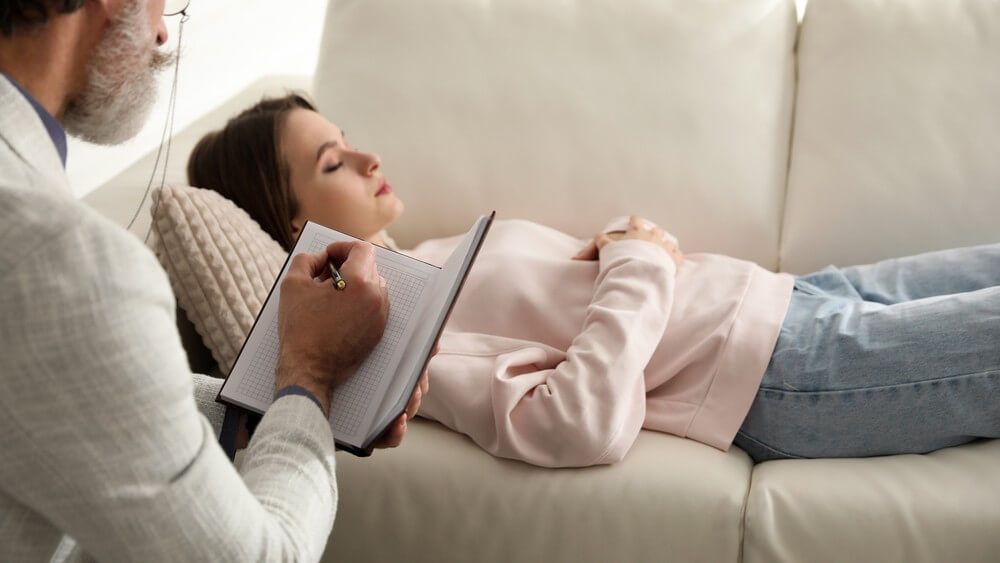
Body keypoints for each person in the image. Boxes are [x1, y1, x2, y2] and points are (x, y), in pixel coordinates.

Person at [187, 93, 1000, 468]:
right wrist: (638, 256)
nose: (370, 159)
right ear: (296, 228)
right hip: (777, 373)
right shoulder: (396, 333)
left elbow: (619, 282)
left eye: (349, 139)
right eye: (333, 162)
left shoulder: (437, 251)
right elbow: (574, 423)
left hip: (785, 295)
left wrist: (627, 243)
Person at [0, 2, 424, 561]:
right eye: (164, 2)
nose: (160, 31)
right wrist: (310, 376)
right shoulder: (66, 260)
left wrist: (264, 404)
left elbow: (64, 397)